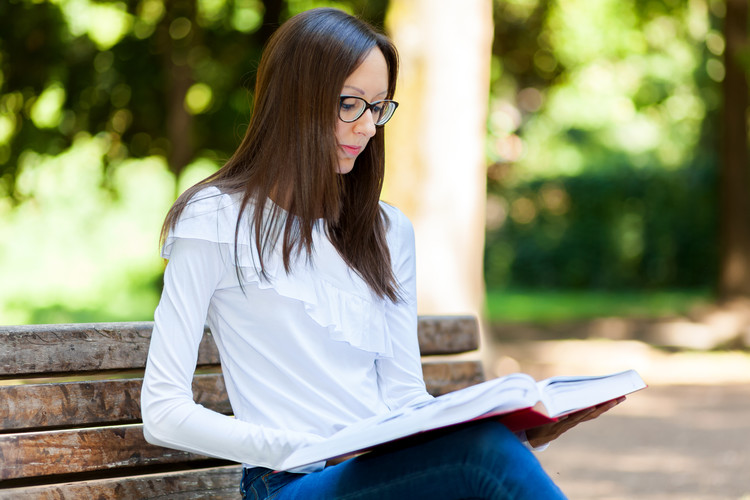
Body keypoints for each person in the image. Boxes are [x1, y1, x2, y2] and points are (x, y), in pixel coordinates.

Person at [141, 7, 620, 499]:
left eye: (378, 107)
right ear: (296, 101)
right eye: (352, 104)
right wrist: (321, 449)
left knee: (490, 445)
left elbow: (404, 398)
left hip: (382, 473)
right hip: (290, 483)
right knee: (482, 453)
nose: (368, 128)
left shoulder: (387, 230)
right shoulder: (215, 219)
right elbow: (162, 412)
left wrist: (524, 432)